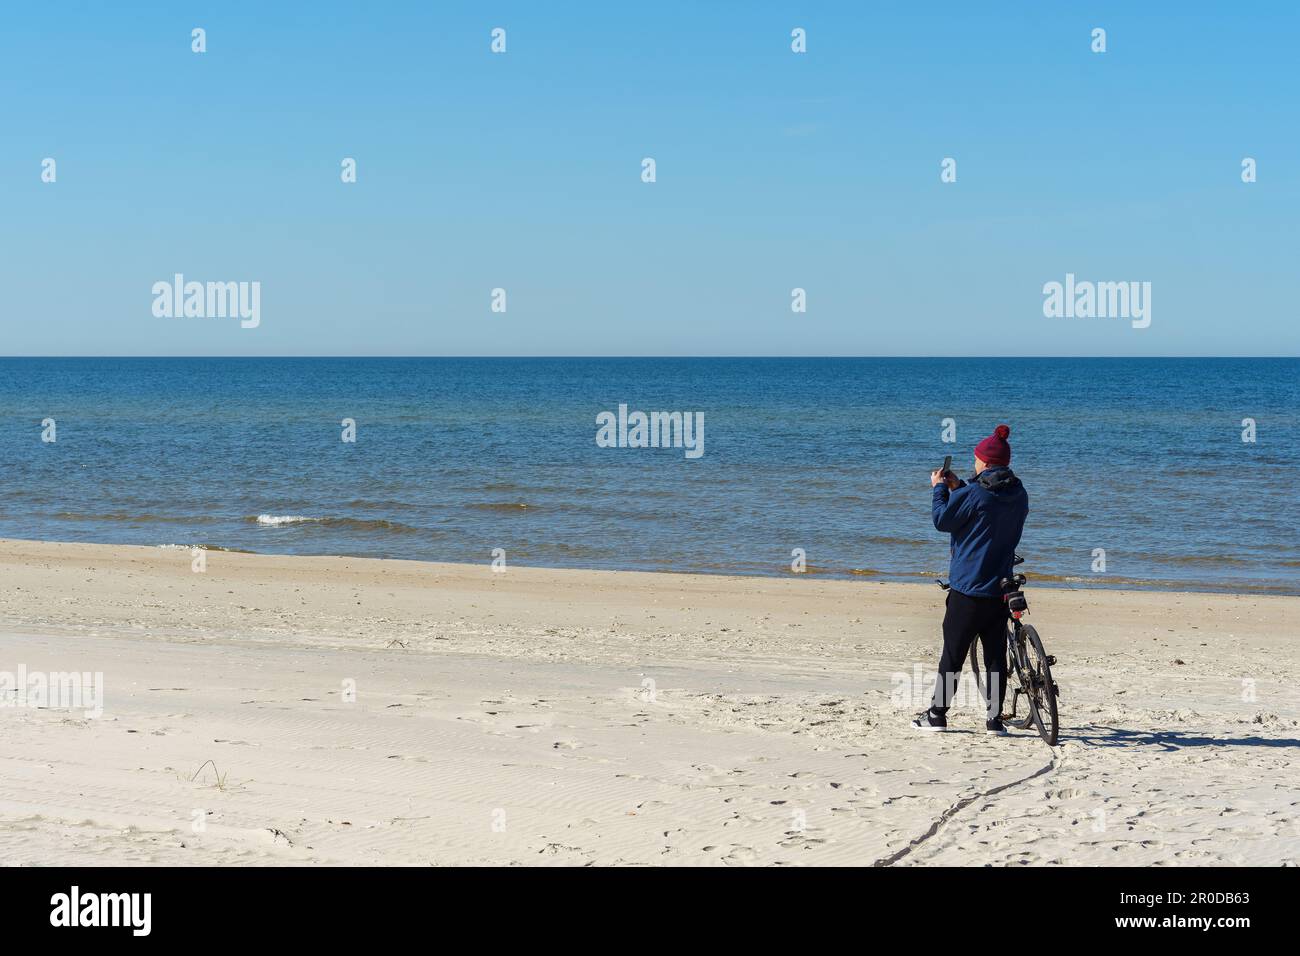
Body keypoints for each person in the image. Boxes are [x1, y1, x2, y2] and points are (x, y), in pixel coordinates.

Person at [913, 424, 1028, 734]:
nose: (975, 463)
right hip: (1001, 586)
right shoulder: (1018, 492)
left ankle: (937, 715)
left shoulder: (974, 493)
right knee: (995, 657)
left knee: (953, 653)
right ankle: (994, 720)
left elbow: (942, 520)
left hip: (968, 588)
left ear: (986, 462)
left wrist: (939, 487)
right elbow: (985, 507)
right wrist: (959, 486)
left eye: (977, 459)